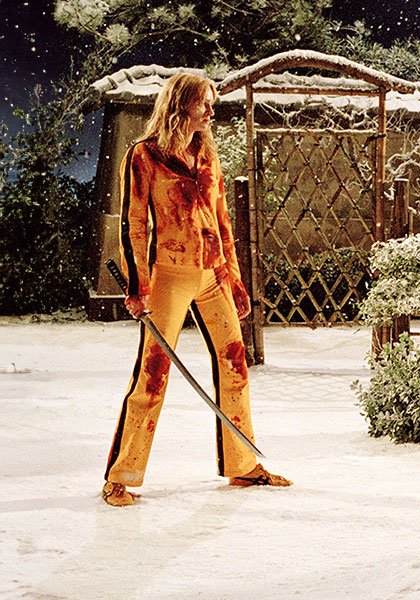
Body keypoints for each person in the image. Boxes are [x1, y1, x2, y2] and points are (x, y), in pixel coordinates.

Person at [102, 72, 290, 507]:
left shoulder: (206, 153)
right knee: (153, 374)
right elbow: (133, 223)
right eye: (204, 102)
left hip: (213, 273)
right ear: (181, 104)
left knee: (235, 365)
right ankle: (121, 475)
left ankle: (243, 465)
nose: (211, 110)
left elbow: (222, 219)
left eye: (211, 102)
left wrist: (236, 278)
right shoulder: (144, 155)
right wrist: (138, 285)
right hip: (168, 275)